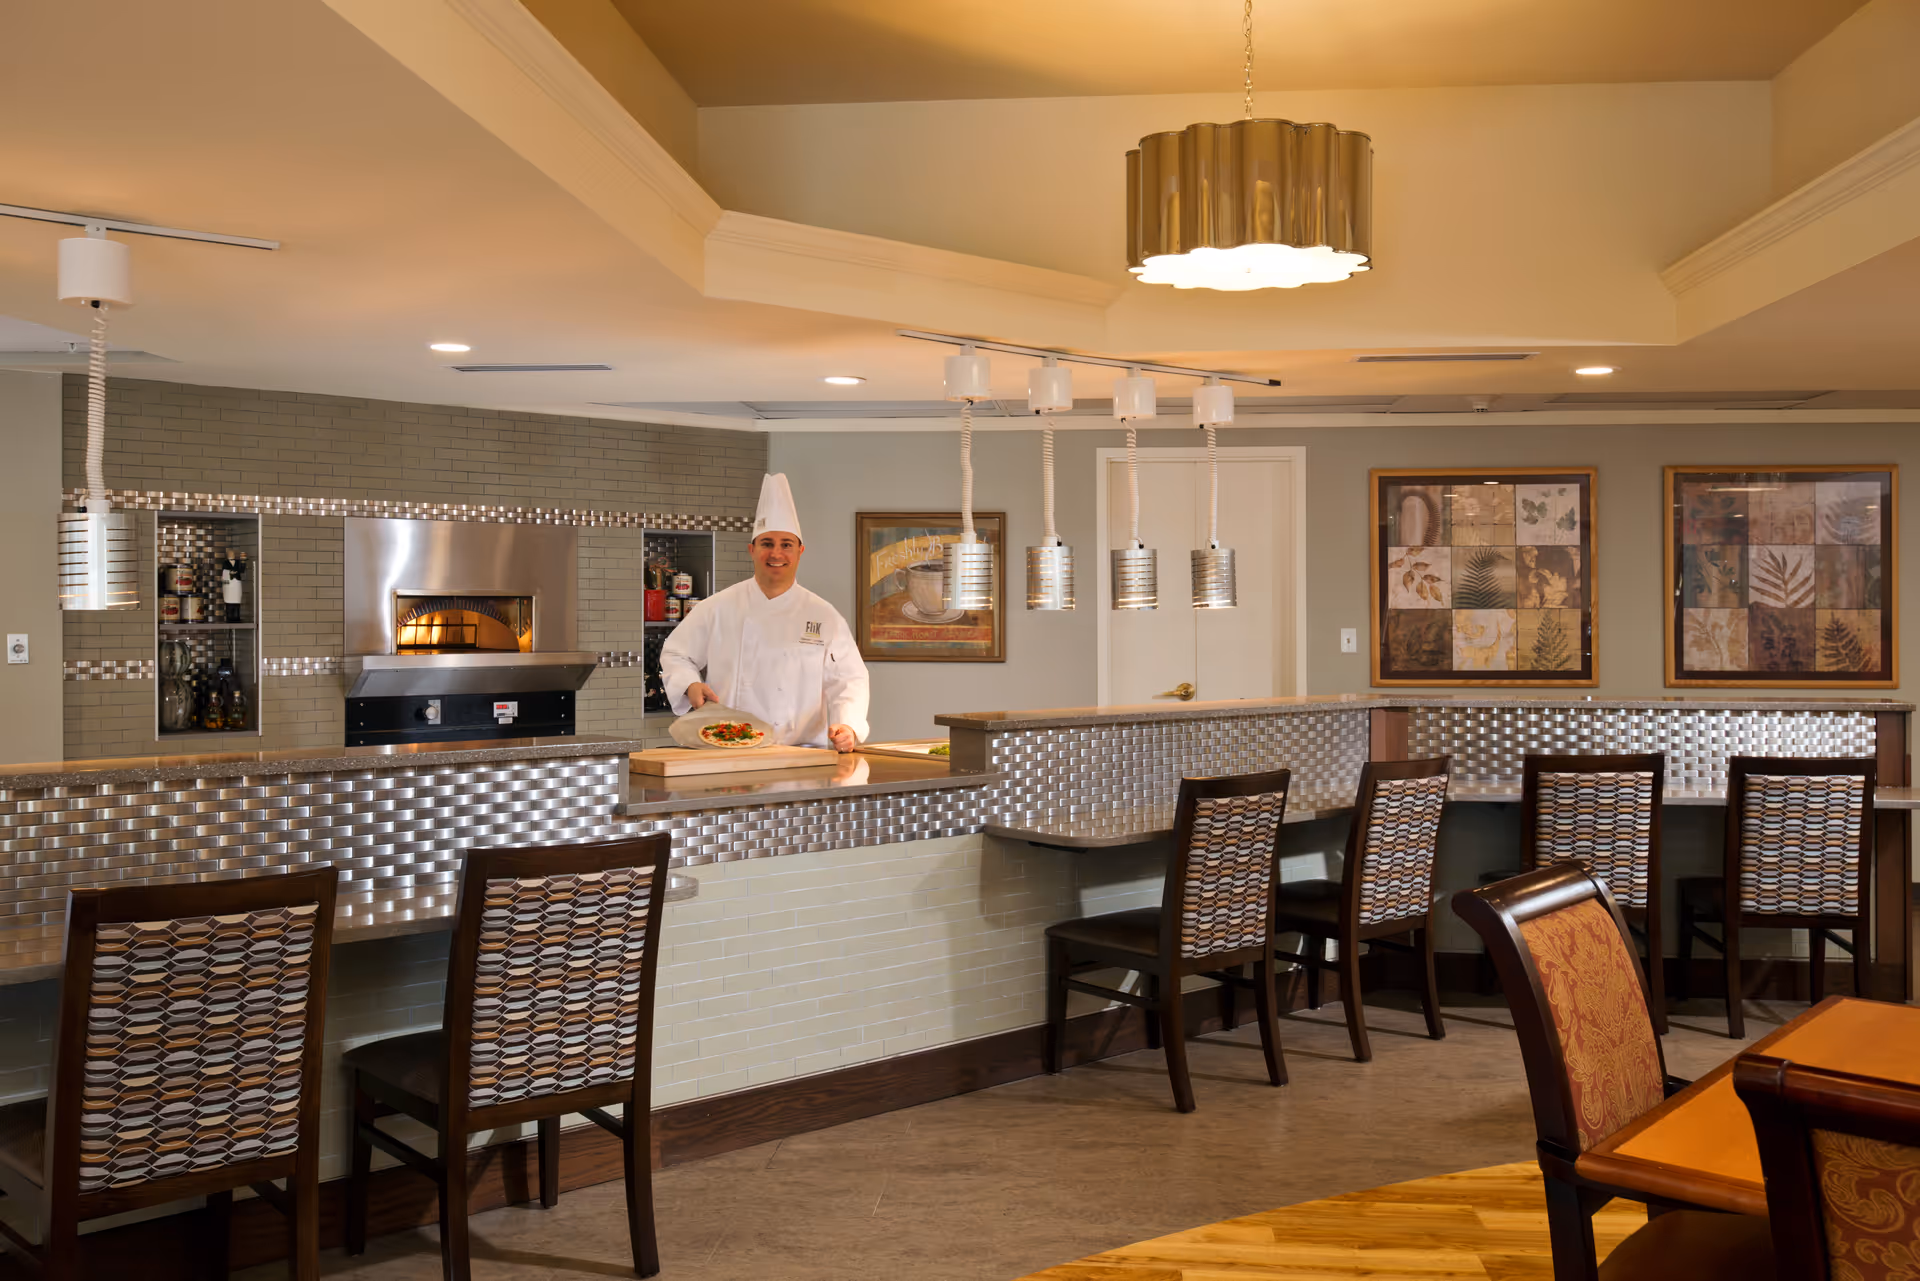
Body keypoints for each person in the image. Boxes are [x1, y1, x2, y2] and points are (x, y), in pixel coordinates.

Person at [660, 474, 870, 751]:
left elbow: (849, 679)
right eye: (767, 543)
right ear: (752, 550)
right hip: (728, 748)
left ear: (800, 551)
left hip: (801, 754)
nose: (776, 553)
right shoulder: (718, 607)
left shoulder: (824, 616)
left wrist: (849, 726)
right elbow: (676, 653)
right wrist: (689, 684)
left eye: (786, 544)